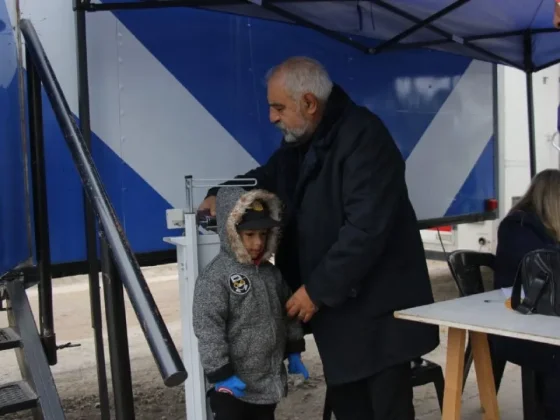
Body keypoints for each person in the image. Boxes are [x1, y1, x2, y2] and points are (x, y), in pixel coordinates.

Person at [198, 56, 439, 419]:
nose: (272, 118)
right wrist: (223, 192)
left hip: (380, 317)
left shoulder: (364, 137)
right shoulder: (305, 142)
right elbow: (267, 176)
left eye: (278, 107)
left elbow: (365, 229)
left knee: (385, 410)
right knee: (351, 406)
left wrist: (316, 290)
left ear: (309, 103)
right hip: (342, 315)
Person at [192, 186, 309, 420]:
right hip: (232, 391)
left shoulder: (271, 274)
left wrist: (294, 349)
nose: (258, 243)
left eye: (263, 235)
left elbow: (288, 313)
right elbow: (208, 329)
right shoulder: (216, 277)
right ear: (231, 232)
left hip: (266, 386)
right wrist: (221, 374)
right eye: (250, 235)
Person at [492, 169, 560, 420]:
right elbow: (547, 270)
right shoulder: (519, 227)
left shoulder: (535, 227)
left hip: (541, 320)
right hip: (517, 325)